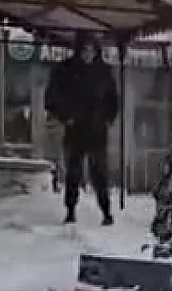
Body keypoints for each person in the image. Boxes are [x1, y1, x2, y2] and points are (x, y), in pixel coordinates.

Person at [45, 31, 119, 225]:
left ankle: (106, 211)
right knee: (73, 172)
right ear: (78, 51)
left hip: (96, 130)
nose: (88, 54)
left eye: (91, 50)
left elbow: (113, 100)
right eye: (85, 50)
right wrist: (66, 116)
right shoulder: (66, 70)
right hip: (75, 128)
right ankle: (70, 210)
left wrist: (106, 118)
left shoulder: (103, 71)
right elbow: (52, 98)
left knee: (100, 172)